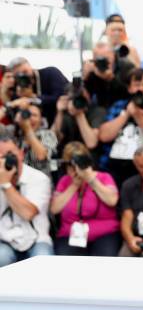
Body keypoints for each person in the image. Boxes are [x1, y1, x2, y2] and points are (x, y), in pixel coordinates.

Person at [51, 142, 121, 256]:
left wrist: (90, 179)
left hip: (104, 233)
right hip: (71, 234)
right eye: (70, 166)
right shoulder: (65, 181)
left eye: (78, 165)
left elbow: (112, 201)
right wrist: (74, 186)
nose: (75, 170)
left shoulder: (104, 177)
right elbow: (54, 209)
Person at [99, 69, 143, 189]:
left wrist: (139, 116)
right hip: (115, 165)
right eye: (137, 85)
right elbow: (104, 136)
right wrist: (127, 114)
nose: (141, 89)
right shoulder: (119, 106)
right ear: (129, 88)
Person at [0, 135, 53, 267]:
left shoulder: (38, 178)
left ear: (21, 154)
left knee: (44, 261)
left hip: (37, 239)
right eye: (0, 155)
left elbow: (28, 213)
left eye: (10, 154)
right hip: (4, 240)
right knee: (2, 257)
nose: (5, 160)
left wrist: (6, 184)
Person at [1, 57, 67, 124]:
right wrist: (5, 91)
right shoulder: (17, 86)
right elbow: (13, 114)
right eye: (19, 75)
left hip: (57, 119)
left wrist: (32, 96)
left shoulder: (50, 73)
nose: (24, 76)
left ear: (30, 66)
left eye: (25, 71)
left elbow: (60, 98)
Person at [13, 103, 57, 178]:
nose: (31, 119)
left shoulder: (48, 134)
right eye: (28, 115)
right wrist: (9, 106)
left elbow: (41, 155)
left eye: (35, 115)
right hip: (18, 183)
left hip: (40, 183)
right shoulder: (15, 134)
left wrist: (28, 129)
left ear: (41, 120)